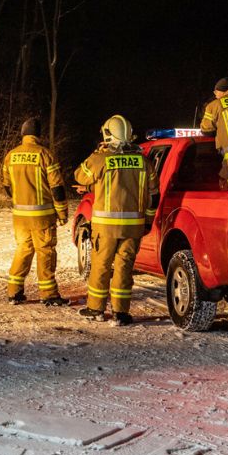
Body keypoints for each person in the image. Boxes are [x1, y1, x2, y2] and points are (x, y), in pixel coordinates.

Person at [73, 115, 154, 325]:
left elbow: (79, 175)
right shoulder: (143, 161)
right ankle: (121, 312)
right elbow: (153, 193)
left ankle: (95, 308)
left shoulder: (102, 158)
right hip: (133, 228)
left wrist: (98, 152)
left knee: (101, 265)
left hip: (106, 227)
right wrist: (148, 220)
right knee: (124, 267)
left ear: (108, 134)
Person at [2, 117, 68, 306]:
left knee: (23, 249)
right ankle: (49, 294)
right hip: (42, 217)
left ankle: (14, 291)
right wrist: (62, 213)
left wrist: (20, 199)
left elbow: (7, 186)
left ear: (23, 134)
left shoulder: (11, 155)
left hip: (20, 217)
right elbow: (57, 188)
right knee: (45, 251)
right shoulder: (45, 155)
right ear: (38, 135)